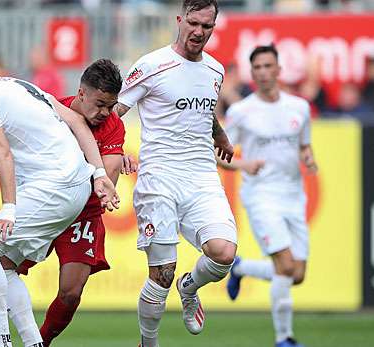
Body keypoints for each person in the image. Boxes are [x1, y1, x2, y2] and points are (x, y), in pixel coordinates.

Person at [0, 59, 136, 347]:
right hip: (49, 199)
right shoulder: (56, 108)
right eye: (101, 104)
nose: (105, 112)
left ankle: (37, 341)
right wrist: (32, 181)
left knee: (70, 293)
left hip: (84, 214)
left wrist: (115, 161)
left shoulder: (112, 125)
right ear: (81, 94)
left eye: (110, 105)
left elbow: (106, 178)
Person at [113, 1, 237, 346]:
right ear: (180, 20)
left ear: (214, 26)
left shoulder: (215, 70)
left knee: (224, 253)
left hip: (201, 177)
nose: (199, 32)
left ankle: (191, 286)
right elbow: (114, 111)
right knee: (161, 275)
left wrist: (220, 133)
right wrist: (114, 148)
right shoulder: (152, 65)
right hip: (160, 179)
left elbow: (203, 109)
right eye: (193, 23)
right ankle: (148, 343)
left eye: (207, 26)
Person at [221, 44, 318, 347]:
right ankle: (284, 338)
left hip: (293, 195)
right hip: (261, 195)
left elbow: (303, 145)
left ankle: (242, 267)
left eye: (268, 66)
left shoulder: (299, 108)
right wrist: (242, 164)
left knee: (297, 273)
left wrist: (309, 158)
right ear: (252, 73)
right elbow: (217, 154)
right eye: (257, 68)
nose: (263, 72)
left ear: (279, 70)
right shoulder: (241, 112)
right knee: (286, 266)